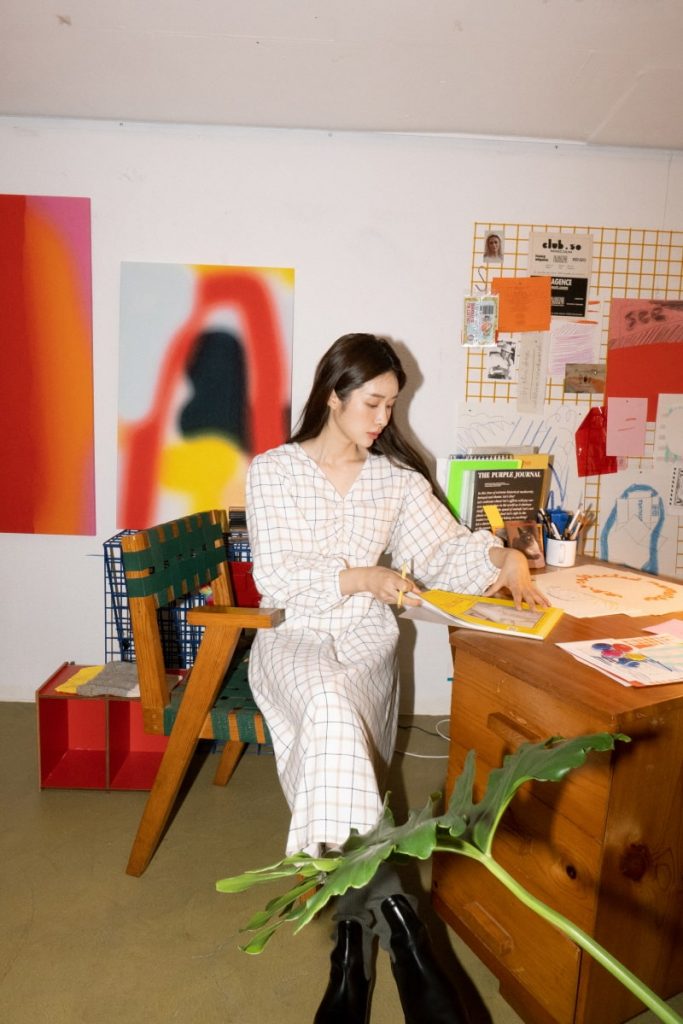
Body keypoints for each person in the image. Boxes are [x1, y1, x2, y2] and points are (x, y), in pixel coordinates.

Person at [246, 333, 548, 1023]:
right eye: (373, 403)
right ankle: (406, 930)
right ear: (333, 395)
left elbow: (444, 553)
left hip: (365, 641)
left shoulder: (397, 481)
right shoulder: (274, 470)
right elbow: (276, 577)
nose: (384, 418)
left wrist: (502, 559)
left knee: (334, 723)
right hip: (291, 636)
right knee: (327, 704)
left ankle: (351, 946)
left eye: (391, 404)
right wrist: (363, 576)